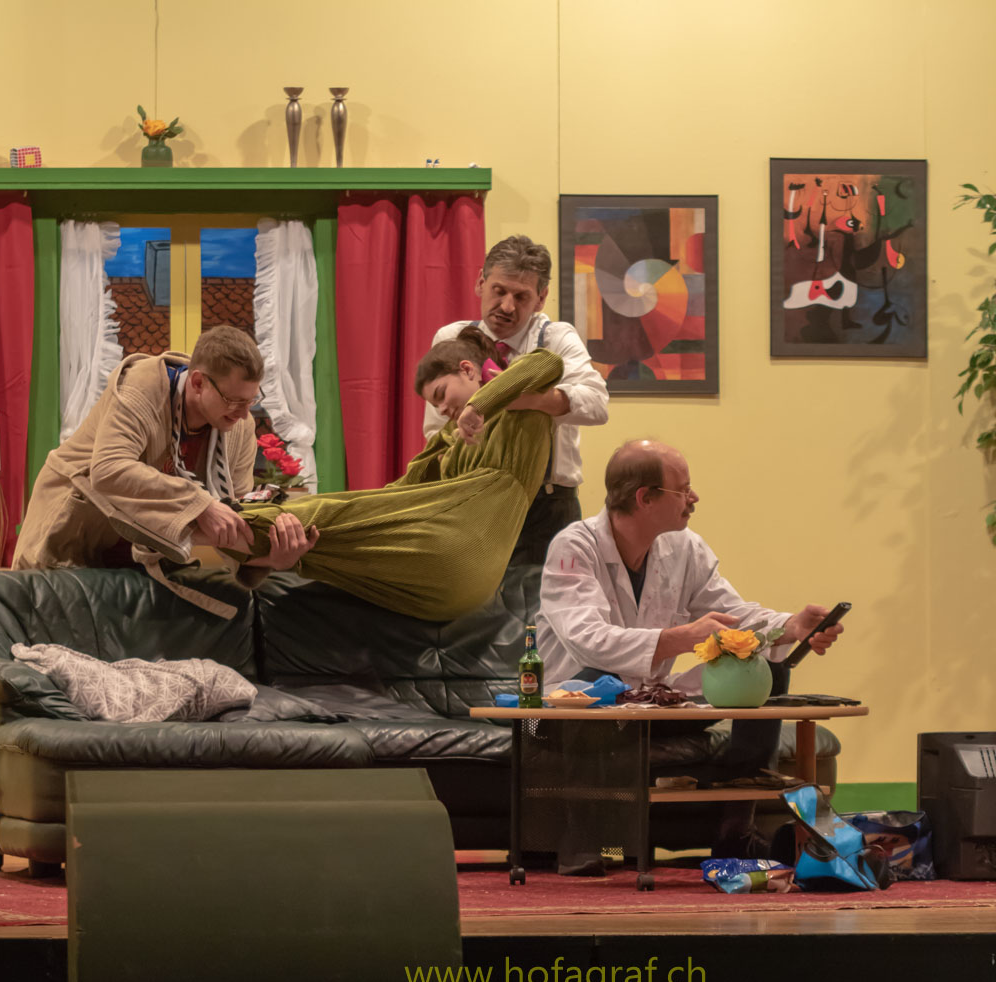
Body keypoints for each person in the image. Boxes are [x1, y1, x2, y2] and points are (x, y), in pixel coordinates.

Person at [535, 439, 845, 867]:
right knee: (592, 679)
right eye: (683, 490)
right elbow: (588, 640)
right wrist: (683, 637)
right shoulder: (574, 547)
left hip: (647, 705)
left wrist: (790, 626)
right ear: (645, 498)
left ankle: (735, 834)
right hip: (573, 710)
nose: (694, 498)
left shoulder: (685, 548)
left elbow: (733, 615)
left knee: (764, 666)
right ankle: (594, 848)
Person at [217, 328, 565, 620]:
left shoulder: (524, 407)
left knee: (333, 515)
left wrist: (479, 406)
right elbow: (396, 493)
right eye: (435, 404)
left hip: (463, 550)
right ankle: (230, 538)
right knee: (329, 534)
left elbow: (547, 362)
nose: (443, 408)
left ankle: (211, 522)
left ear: (468, 370)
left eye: (442, 394)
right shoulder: (450, 437)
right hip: (440, 585)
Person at [13, 325, 311, 595]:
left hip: (138, 559)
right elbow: (109, 469)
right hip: (69, 537)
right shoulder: (143, 385)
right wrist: (201, 504)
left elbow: (234, 518)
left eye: (251, 401)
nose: (244, 413)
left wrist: (269, 558)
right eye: (234, 401)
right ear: (198, 383)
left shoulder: (239, 426)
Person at [423, 235, 609, 565]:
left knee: (545, 598)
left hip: (547, 506)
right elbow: (436, 430)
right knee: (479, 597)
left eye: (521, 297)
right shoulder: (451, 338)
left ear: (541, 298)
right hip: (473, 499)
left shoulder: (555, 339)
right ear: (480, 282)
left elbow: (597, 404)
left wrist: (531, 399)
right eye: (499, 291)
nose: (507, 306)